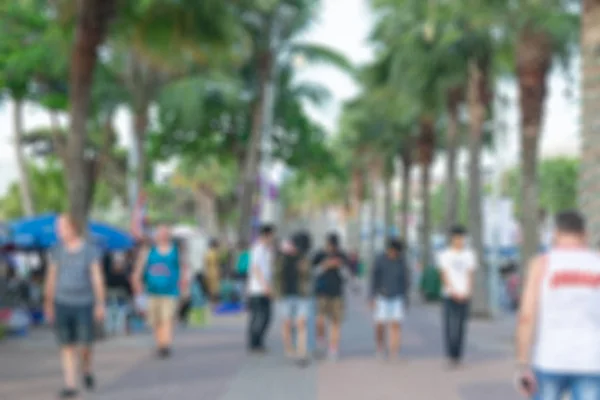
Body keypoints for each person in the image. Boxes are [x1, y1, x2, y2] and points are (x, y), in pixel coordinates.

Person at [516, 211, 600, 399]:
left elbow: (527, 315)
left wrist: (522, 363)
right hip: (592, 359)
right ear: (585, 234)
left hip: (549, 358)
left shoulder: (541, 264)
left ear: (555, 233)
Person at [43, 214, 106, 399]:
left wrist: (100, 303)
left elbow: (97, 277)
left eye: (61, 227)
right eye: (57, 227)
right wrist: (48, 302)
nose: (58, 231)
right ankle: (70, 384)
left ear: (72, 228)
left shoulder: (89, 250)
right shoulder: (56, 251)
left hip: (85, 303)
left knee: (85, 345)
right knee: (66, 345)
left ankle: (86, 369)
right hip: (62, 302)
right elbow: (51, 278)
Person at [132, 224, 188, 358]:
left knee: (167, 317)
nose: (162, 236)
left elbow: (183, 267)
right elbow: (139, 267)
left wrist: (184, 285)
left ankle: (165, 344)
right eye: (160, 233)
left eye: (165, 233)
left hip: (170, 291)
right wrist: (137, 281)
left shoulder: (175, 251)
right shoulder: (148, 251)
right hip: (152, 291)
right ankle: (160, 343)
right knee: (156, 319)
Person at [437, 225, 476, 366]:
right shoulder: (445, 255)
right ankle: (450, 355)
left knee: (461, 326)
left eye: (461, 238)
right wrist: (452, 290)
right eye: (457, 238)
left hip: (464, 294)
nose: (459, 240)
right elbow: (444, 274)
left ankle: (458, 355)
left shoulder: (469, 255)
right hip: (449, 295)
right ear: (452, 239)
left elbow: (470, 273)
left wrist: (468, 290)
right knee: (449, 325)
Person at [274, 232, 312, 366]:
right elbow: (275, 273)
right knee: (287, 323)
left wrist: (304, 268)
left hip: (301, 294)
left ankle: (302, 351)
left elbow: (309, 275)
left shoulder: (304, 257)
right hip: (286, 294)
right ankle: (289, 348)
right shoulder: (281, 257)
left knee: (301, 323)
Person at [370, 238, 409, 361]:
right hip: (382, 296)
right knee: (380, 325)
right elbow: (374, 278)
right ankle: (380, 348)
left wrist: (405, 298)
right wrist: (372, 296)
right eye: (392, 251)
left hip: (397, 296)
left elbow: (406, 281)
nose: (394, 254)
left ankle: (394, 352)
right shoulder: (380, 260)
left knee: (395, 325)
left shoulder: (402, 261)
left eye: (397, 252)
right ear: (389, 249)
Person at [312, 233, 349, 360]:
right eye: (329, 245)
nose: (331, 248)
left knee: (335, 322)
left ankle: (333, 349)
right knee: (320, 320)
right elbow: (313, 272)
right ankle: (321, 340)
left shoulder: (342, 256)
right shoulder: (319, 255)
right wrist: (324, 266)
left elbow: (348, 276)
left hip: (337, 293)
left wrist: (340, 266)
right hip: (321, 293)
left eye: (333, 245)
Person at [247, 224, 275, 353]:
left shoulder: (266, 250)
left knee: (264, 317)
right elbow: (255, 268)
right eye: (272, 235)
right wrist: (265, 286)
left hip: (264, 288)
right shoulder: (257, 249)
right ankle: (255, 343)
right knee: (261, 317)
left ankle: (257, 343)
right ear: (267, 235)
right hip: (258, 289)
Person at [204, 239, 221, 305]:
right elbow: (218, 262)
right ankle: (215, 302)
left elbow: (206, 263)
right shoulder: (216, 253)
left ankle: (211, 301)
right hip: (215, 271)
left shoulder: (207, 253)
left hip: (209, 272)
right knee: (215, 288)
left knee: (210, 288)